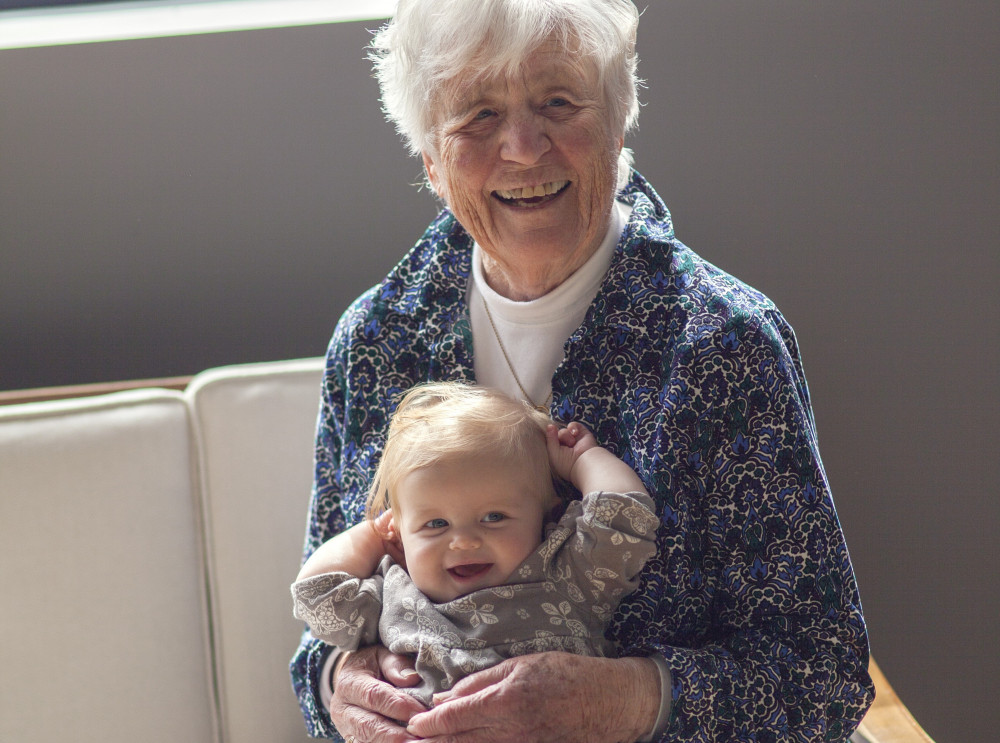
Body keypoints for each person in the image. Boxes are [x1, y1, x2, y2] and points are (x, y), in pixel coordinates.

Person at [290, 1, 874, 741]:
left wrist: (621, 701)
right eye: (477, 115)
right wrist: (338, 687)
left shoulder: (723, 345)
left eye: (559, 103)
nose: (525, 148)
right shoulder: (375, 340)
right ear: (431, 160)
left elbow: (822, 671)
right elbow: (319, 631)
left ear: (617, 123)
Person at [290, 382, 659, 708]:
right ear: (399, 534)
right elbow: (317, 595)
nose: (464, 541)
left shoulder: (565, 574)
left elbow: (623, 519)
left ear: (548, 516)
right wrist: (374, 533)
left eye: (494, 517)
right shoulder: (396, 594)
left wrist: (581, 460)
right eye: (435, 524)